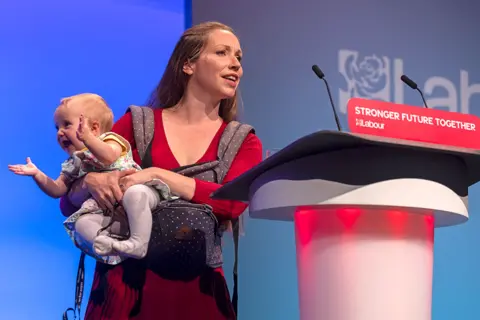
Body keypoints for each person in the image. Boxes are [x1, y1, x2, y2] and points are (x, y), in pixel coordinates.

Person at [60, 21, 262, 319]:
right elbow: (67, 203)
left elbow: (232, 202)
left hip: (199, 295)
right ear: (188, 65)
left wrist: (160, 176)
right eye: (222, 53)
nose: (235, 65)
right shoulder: (137, 123)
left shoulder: (243, 140)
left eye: (239, 58)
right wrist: (90, 181)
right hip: (125, 292)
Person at [8, 93, 173, 265]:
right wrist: (37, 174)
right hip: (111, 215)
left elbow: (108, 157)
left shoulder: (110, 140)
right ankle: (114, 247)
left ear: (94, 128)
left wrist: (88, 139)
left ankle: (138, 243)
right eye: (57, 128)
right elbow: (57, 190)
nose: (60, 132)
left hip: (137, 196)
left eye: (66, 125)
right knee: (82, 224)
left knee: (135, 194)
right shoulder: (74, 163)